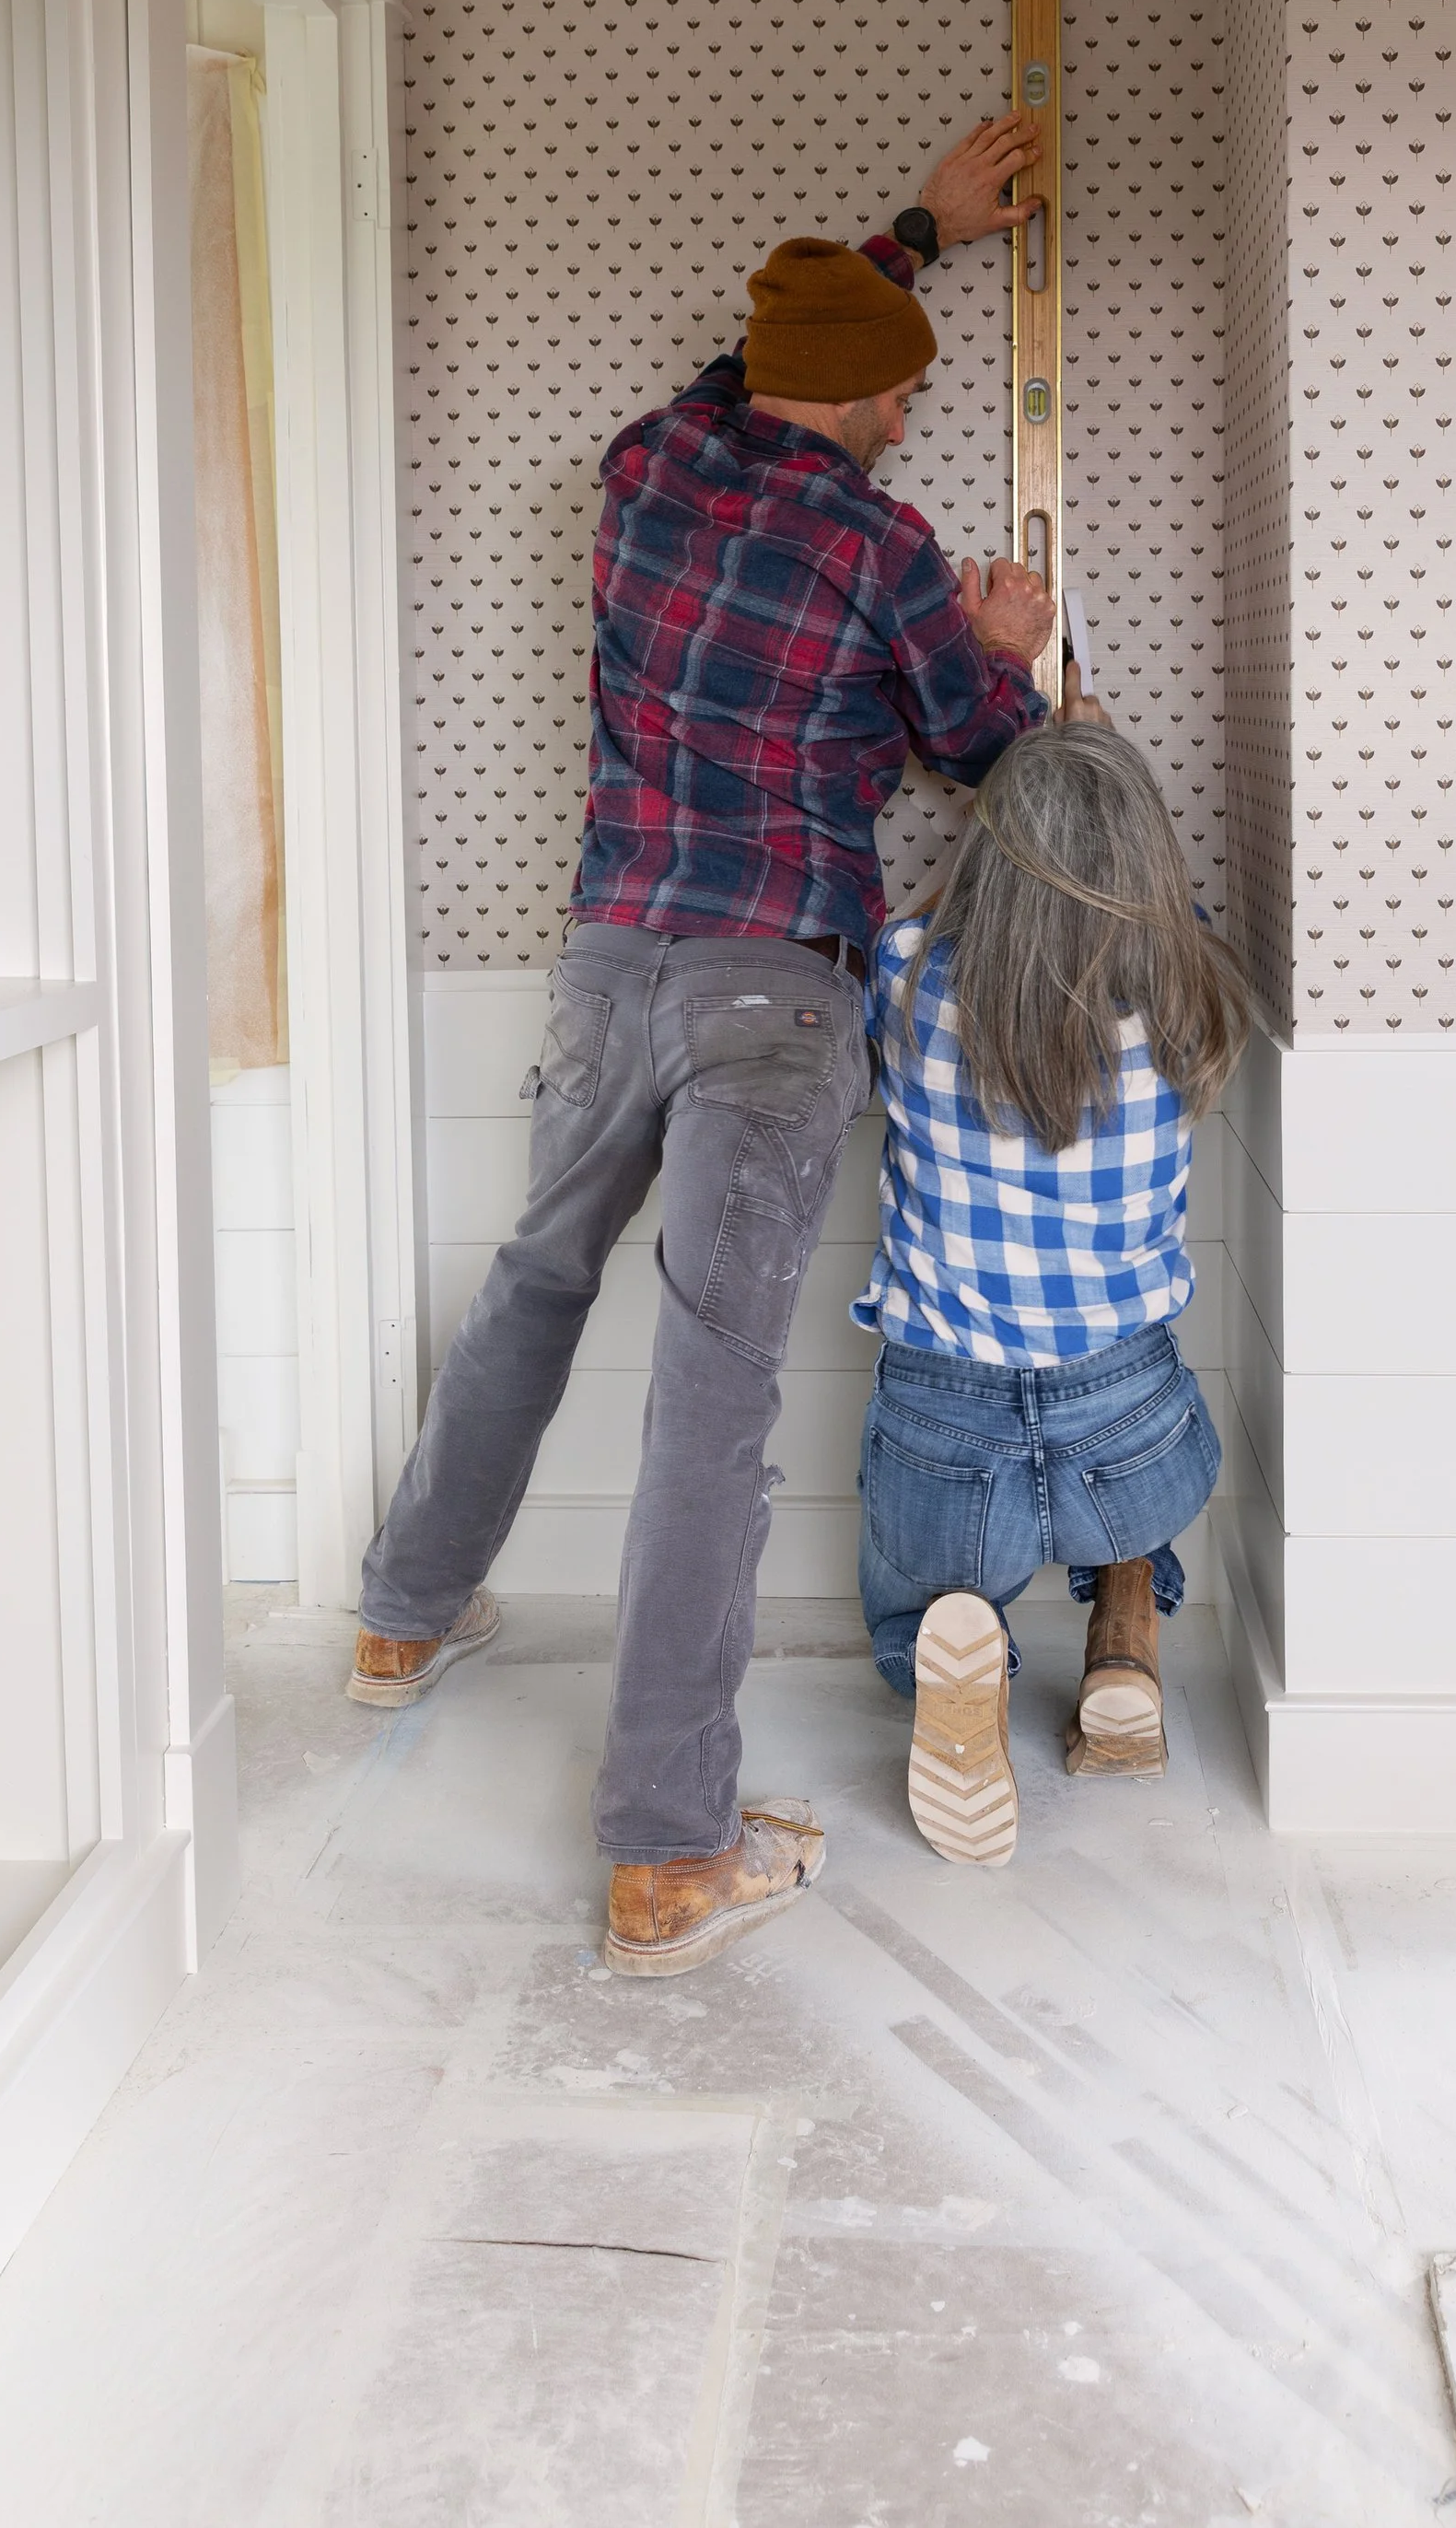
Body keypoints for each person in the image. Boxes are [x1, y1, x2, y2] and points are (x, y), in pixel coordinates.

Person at [348, 121, 1057, 1977]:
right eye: (903, 383)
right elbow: (977, 757)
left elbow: (752, 373)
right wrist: (1006, 644)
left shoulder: (650, 464)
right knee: (713, 1394)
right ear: (881, 398)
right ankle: (668, 1850)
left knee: (531, 1278)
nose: (914, 404)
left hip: (605, 954)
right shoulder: (886, 547)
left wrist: (912, 233)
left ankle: (400, 1616)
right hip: (770, 986)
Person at [853, 714, 1250, 1866]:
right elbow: (1176, 926)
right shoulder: (1188, 993)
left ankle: (945, 1648)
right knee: (1127, 1470)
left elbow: (924, 939)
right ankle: (1124, 1636)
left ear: (990, 848)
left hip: (946, 1429)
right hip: (1129, 1444)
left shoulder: (906, 973)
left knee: (910, 1562)